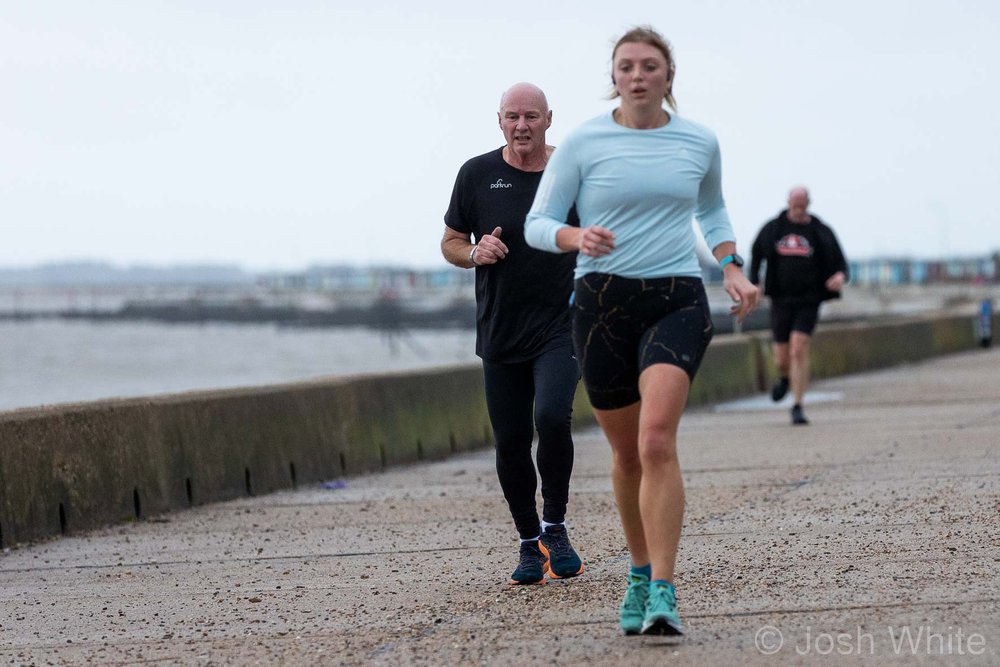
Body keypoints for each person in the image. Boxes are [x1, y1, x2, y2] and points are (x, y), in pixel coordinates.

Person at [524, 27, 759, 636]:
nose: (637, 75)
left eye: (649, 66)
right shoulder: (583, 142)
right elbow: (537, 223)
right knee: (627, 454)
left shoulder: (698, 141)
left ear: (667, 76)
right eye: (626, 66)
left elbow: (712, 210)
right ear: (615, 76)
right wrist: (577, 237)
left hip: (675, 298)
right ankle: (637, 570)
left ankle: (663, 589)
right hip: (602, 303)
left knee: (657, 441)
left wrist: (731, 266)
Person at [441, 82, 585, 586]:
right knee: (510, 441)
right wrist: (474, 254)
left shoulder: (571, 172)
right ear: (499, 121)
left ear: (549, 119)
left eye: (531, 116)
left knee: (552, 415)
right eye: (512, 117)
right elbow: (452, 242)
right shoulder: (476, 174)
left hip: (560, 325)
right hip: (501, 328)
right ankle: (529, 543)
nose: (521, 125)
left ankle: (557, 526)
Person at [749, 187, 848, 425]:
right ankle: (784, 378)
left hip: (809, 299)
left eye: (802, 205)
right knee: (782, 358)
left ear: (808, 204)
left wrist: (840, 277)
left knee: (799, 348)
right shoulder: (774, 228)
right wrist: (754, 282)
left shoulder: (819, 230)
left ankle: (798, 405)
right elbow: (756, 255)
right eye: (794, 204)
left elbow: (840, 263)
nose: (798, 209)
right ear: (788, 202)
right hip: (781, 299)